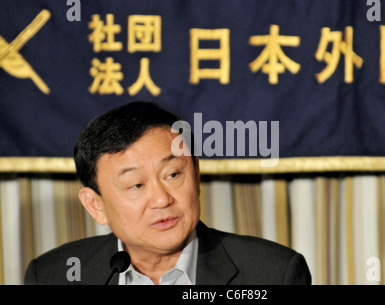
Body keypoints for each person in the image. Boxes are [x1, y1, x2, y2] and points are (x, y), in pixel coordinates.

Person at [24, 101, 311, 285]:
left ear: (196, 174)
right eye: (136, 185)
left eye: (173, 174)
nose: (162, 200)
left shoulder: (273, 274)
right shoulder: (52, 275)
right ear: (95, 205)